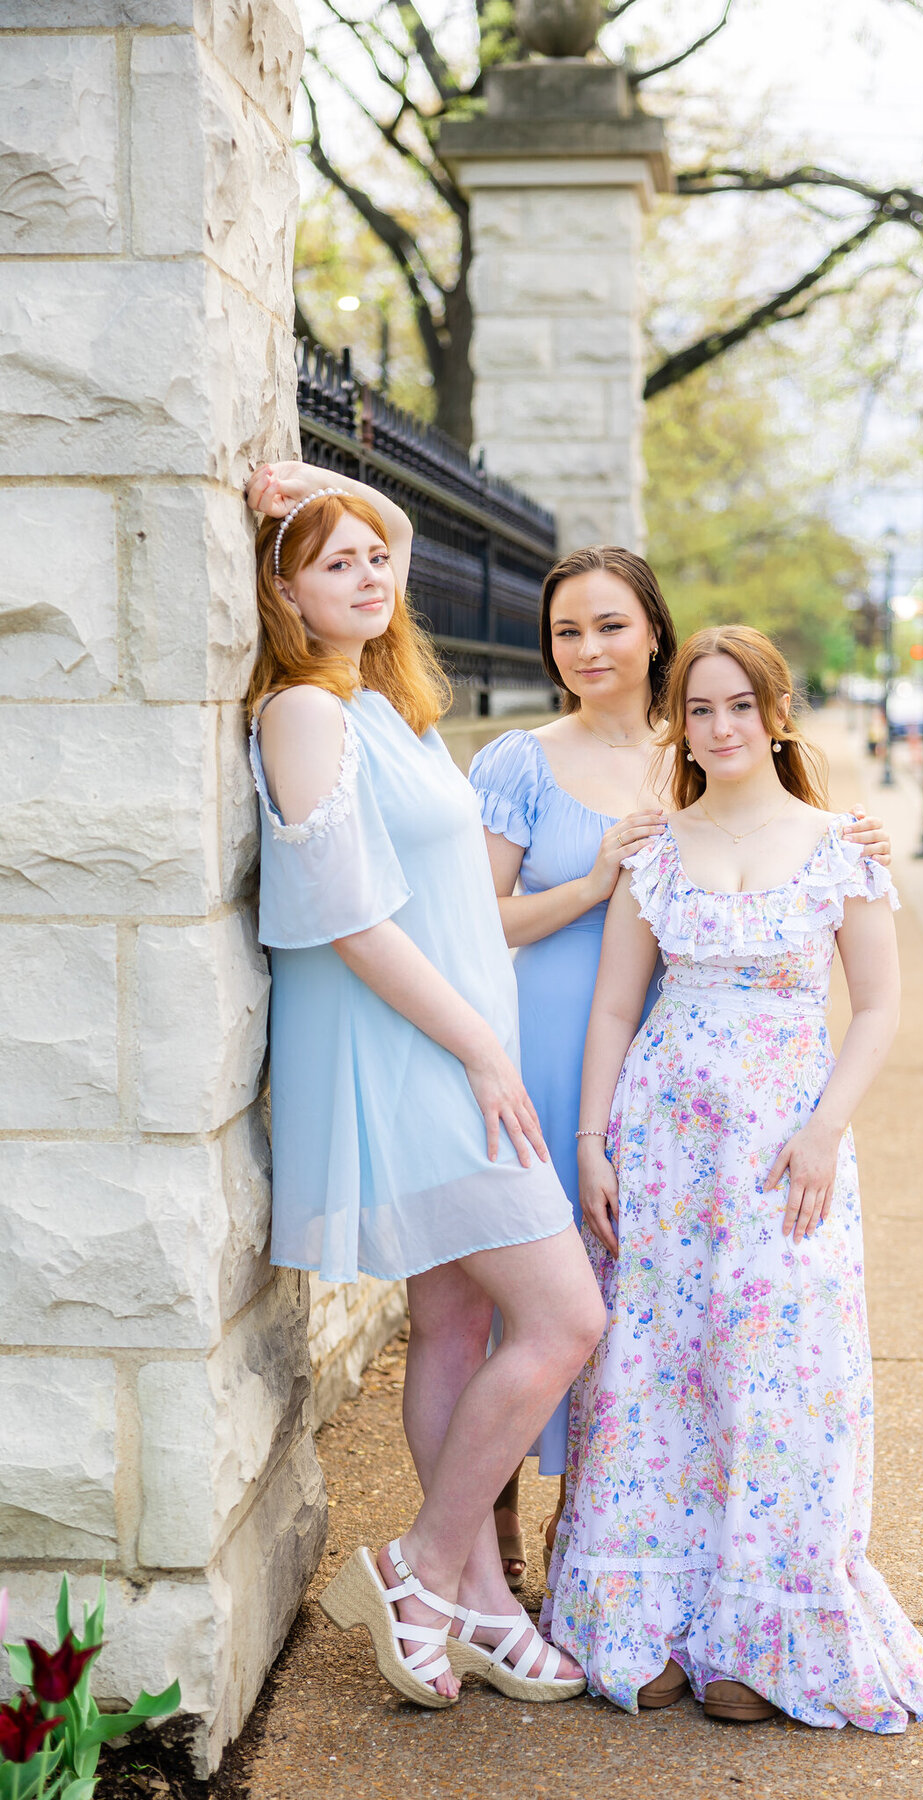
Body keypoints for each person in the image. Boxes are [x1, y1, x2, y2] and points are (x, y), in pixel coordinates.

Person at [242, 460, 604, 1709]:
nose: (372, 571)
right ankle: (425, 1566)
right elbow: (351, 923)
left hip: (451, 1048)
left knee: (456, 1324)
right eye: (333, 563)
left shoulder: (383, 708)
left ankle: (485, 1617)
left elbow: (393, 525)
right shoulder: (304, 714)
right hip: (418, 1060)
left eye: (376, 560)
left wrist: (324, 487)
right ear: (283, 595)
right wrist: (483, 1048)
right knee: (565, 1319)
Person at [547, 625, 923, 1730]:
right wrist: (591, 1143)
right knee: (658, 1365)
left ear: (777, 716)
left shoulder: (842, 846)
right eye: (700, 708)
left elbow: (876, 1007)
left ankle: (759, 1628)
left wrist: (826, 1128)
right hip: (664, 1140)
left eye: (739, 707)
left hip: (784, 1144)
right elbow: (618, 1006)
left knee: (779, 1370)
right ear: (681, 722)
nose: (719, 728)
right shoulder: (654, 849)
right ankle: (650, 1614)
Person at [470, 549, 893, 1588]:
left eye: (609, 625)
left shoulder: (718, 780)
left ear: (653, 632)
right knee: (590, 1326)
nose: (587, 649)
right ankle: (522, 1550)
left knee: (730, 1344)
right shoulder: (559, 781)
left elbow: (873, 989)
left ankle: (739, 1582)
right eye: (567, 631)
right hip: (590, 1080)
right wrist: (595, 881)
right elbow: (499, 936)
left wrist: (824, 1127)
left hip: (747, 1109)